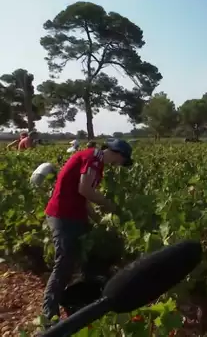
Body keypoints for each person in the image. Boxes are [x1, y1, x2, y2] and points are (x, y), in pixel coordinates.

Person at [41, 138, 134, 326]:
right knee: (64, 264)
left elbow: (84, 199)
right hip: (62, 215)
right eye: (123, 162)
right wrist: (109, 205)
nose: (120, 166)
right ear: (118, 154)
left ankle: (82, 303)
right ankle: (49, 317)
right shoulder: (93, 159)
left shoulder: (95, 162)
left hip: (75, 216)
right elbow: (84, 189)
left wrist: (99, 221)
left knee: (87, 259)